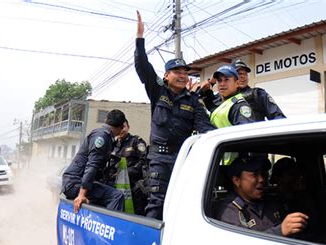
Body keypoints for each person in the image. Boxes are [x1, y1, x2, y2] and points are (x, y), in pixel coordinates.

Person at [135, 11, 216, 220]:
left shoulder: (193, 100)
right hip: (159, 159)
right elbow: (143, 67)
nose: (182, 75)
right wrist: (140, 40)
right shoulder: (157, 91)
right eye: (177, 71)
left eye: (185, 72)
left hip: (183, 159)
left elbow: (205, 128)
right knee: (156, 205)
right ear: (166, 76)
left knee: (183, 205)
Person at [216, 156, 309, 237]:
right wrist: (280, 231)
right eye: (254, 174)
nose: (261, 179)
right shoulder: (230, 212)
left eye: (263, 174)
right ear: (237, 180)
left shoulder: (272, 201)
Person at [62, 109, 127, 213]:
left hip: (73, 182)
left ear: (106, 120)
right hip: (74, 183)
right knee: (116, 196)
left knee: (108, 189)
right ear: (121, 127)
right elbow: (92, 165)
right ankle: (110, 227)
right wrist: (81, 195)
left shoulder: (105, 136)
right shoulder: (101, 137)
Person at [193, 59, 286, 121]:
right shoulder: (220, 97)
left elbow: (278, 117)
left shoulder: (257, 94)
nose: (241, 76)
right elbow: (196, 98)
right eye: (238, 73)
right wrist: (211, 82)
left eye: (244, 73)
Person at [109, 120, 148, 215]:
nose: (122, 130)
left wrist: (127, 174)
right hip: (116, 187)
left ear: (128, 127)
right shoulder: (112, 144)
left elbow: (144, 161)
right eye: (120, 127)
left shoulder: (136, 141)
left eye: (124, 127)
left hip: (134, 187)